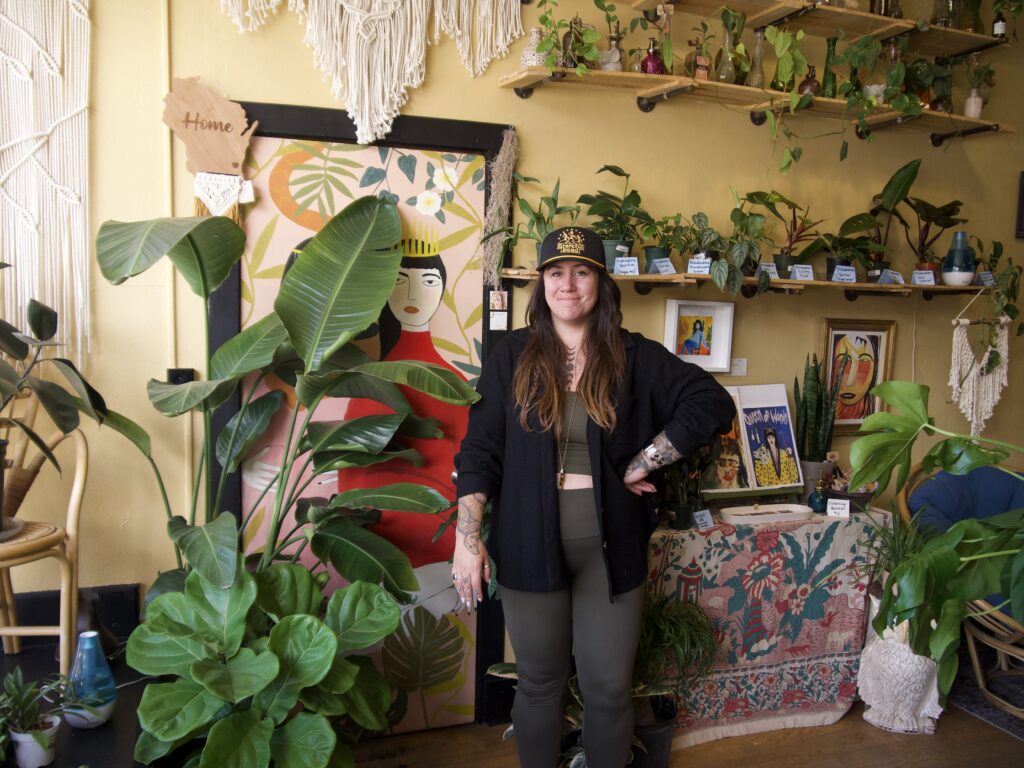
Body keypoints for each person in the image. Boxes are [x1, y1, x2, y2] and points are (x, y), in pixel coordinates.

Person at [452, 226, 735, 768]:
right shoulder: (511, 355)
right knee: (538, 686)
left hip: (612, 550)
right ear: (541, 283)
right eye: (556, 272)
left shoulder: (633, 355)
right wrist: (468, 538)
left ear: (600, 282)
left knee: (607, 689)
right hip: (527, 543)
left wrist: (644, 460)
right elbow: (481, 450)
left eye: (581, 272)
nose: (568, 284)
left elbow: (710, 402)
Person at [337, 229, 468, 567]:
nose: (412, 293)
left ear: (441, 290)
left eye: (427, 281)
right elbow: (351, 468)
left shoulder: (452, 382)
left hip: (439, 524)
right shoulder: (369, 378)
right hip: (376, 524)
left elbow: (465, 462)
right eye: (399, 280)